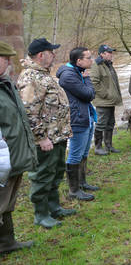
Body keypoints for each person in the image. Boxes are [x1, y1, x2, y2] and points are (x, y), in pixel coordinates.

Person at [17, 38, 76, 229]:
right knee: (42, 176)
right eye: (51, 52)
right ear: (41, 55)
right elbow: (28, 111)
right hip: (45, 140)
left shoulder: (43, 75)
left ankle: (54, 208)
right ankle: (41, 215)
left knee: (55, 173)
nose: (54, 56)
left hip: (57, 137)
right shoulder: (30, 77)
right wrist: (40, 137)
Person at [0, 41, 37, 253]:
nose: (9, 63)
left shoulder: (7, 84)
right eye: (5, 59)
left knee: (8, 202)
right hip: (2, 160)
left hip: (13, 158)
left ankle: (7, 242)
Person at [57, 47, 98, 201]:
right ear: (79, 61)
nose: (91, 60)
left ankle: (82, 183)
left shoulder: (77, 72)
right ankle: (74, 190)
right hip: (77, 119)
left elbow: (89, 95)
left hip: (85, 117)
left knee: (84, 152)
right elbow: (88, 95)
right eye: (88, 58)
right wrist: (87, 79)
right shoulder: (68, 76)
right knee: (75, 154)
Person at [90, 44, 123, 155]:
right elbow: (94, 82)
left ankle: (109, 146)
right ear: (102, 54)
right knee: (100, 124)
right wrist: (106, 95)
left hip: (110, 101)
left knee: (110, 123)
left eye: (111, 52)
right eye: (109, 52)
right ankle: (98, 147)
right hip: (103, 101)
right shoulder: (96, 65)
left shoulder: (108, 65)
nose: (111, 54)